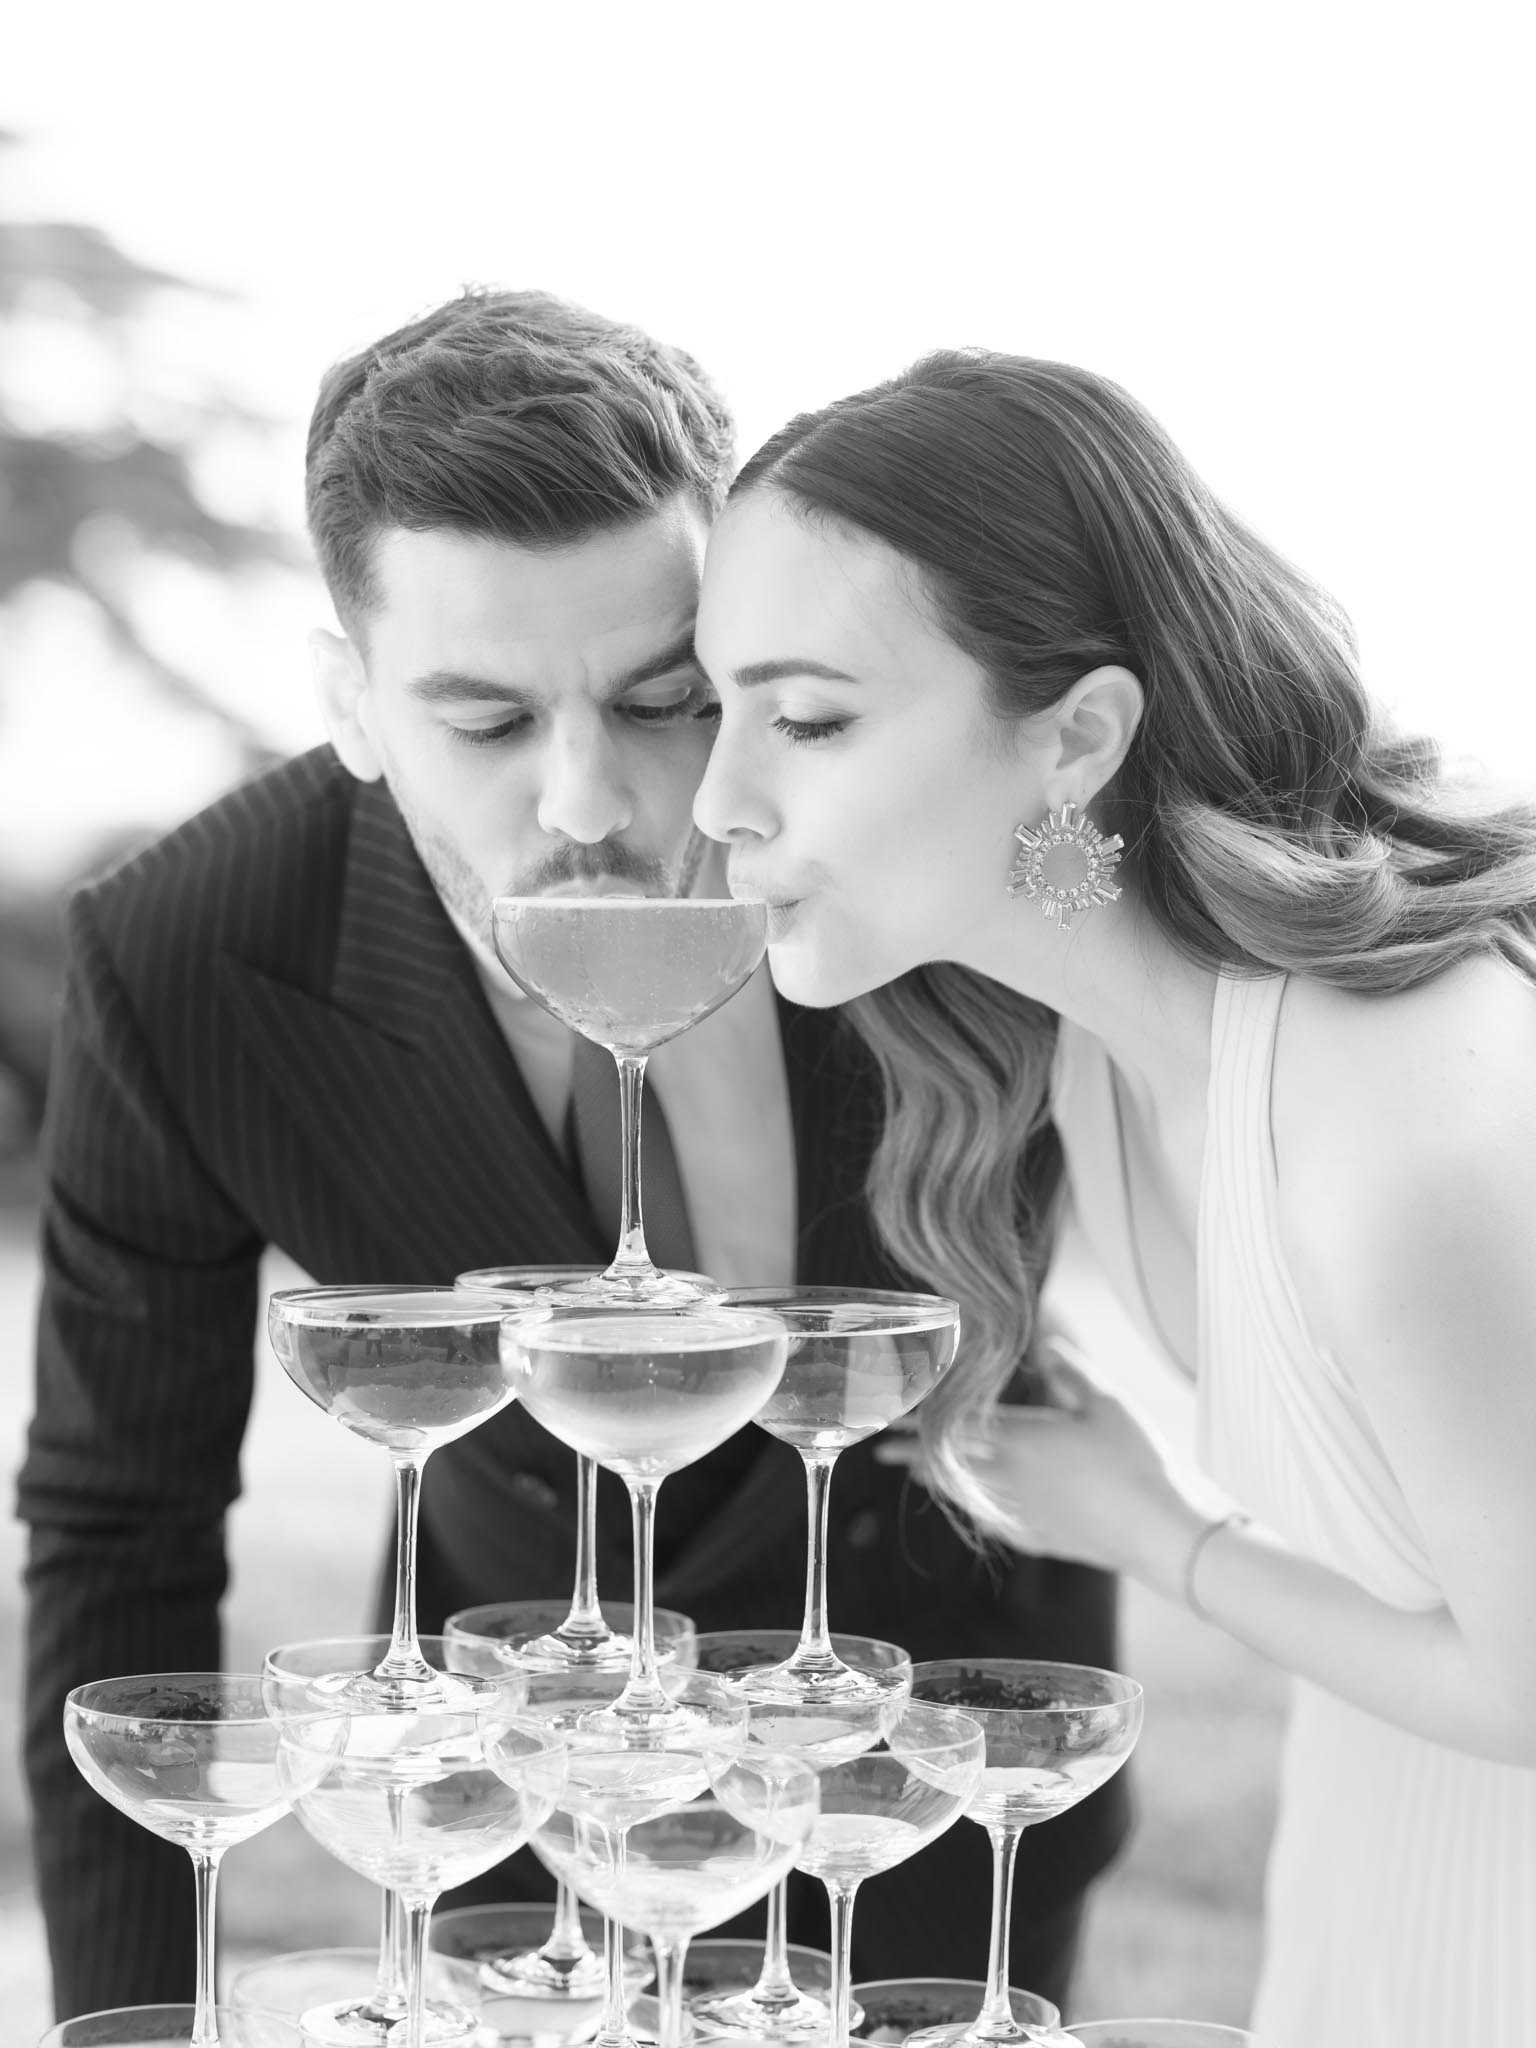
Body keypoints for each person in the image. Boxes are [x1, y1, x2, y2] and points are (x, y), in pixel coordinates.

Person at [18, 296, 1128, 2023]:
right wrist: (131, 2016)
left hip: (927, 1798)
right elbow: (117, 1530)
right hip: (510, 1839)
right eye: (485, 723)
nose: (590, 803)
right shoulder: (190, 956)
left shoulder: (932, 839)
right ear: (354, 706)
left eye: (664, 698)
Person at [690, 349, 1536, 2048]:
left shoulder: (1401, 1112)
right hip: (1374, 1901)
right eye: (713, 707)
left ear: (1076, 736)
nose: (720, 799)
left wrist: (1160, 1538)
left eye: (809, 720)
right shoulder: (1060, 1045)